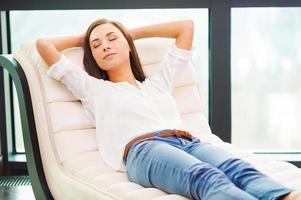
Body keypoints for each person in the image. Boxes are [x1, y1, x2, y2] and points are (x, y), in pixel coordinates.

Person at [36, 18, 301, 200]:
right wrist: (91, 36)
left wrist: (129, 33)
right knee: (206, 177)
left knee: (237, 167)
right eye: (96, 45)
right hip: (144, 151)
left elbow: (185, 28)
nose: (104, 45)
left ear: (128, 45)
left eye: (112, 38)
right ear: (91, 55)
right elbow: (43, 45)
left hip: (188, 142)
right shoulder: (93, 90)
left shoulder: (158, 84)